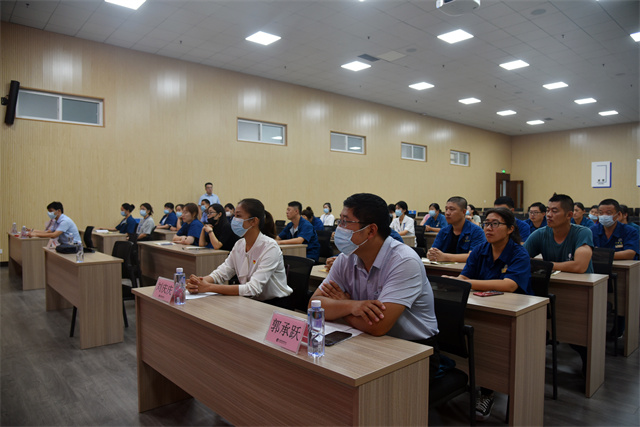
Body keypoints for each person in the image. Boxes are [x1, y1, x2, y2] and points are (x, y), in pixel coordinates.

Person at [308, 193, 440, 376]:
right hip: (364, 339)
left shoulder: (404, 261)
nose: (339, 229)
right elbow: (314, 305)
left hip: (414, 351)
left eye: (346, 222)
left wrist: (341, 308)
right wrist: (352, 306)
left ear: (371, 231)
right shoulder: (346, 257)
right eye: (340, 221)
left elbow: (378, 326)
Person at [445, 207, 532, 420]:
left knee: (493, 345)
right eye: (486, 223)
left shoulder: (518, 253)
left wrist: (467, 283)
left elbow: (509, 285)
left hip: (514, 314)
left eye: (495, 224)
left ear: (510, 229)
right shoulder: (480, 250)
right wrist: (458, 282)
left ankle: (487, 391)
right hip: (483, 304)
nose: (488, 228)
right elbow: (465, 277)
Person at [186, 198, 293, 307]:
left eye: (238, 216)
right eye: (234, 216)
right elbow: (222, 272)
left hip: (275, 305)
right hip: (250, 301)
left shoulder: (270, 247)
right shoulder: (239, 244)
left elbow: (253, 288)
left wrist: (208, 287)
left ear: (253, 221)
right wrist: (199, 282)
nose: (234, 220)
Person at [590, 199, 640, 339]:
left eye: (608, 213)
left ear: (618, 215)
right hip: (597, 271)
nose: (604, 216)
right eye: (601, 213)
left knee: (622, 301)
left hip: (624, 274)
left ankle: (619, 329)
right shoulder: (593, 230)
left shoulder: (630, 231)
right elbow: (587, 251)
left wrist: (601, 255)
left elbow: (630, 253)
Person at [524, 194, 594, 273]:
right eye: (548, 210)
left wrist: (544, 265)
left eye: (554, 211)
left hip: (580, 280)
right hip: (552, 280)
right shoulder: (540, 233)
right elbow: (519, 257)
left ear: (569, 215)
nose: (549, 215)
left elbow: (579, 266)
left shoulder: (583, 232)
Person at [427, 196, 486, 262]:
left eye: (451, 209)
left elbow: (474, 256)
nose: (447, 213)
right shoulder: (443, 231)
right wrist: (430, 254)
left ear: (464, 212)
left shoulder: (477, 231)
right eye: (446, 209)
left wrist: (445, 257)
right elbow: (432, 251)